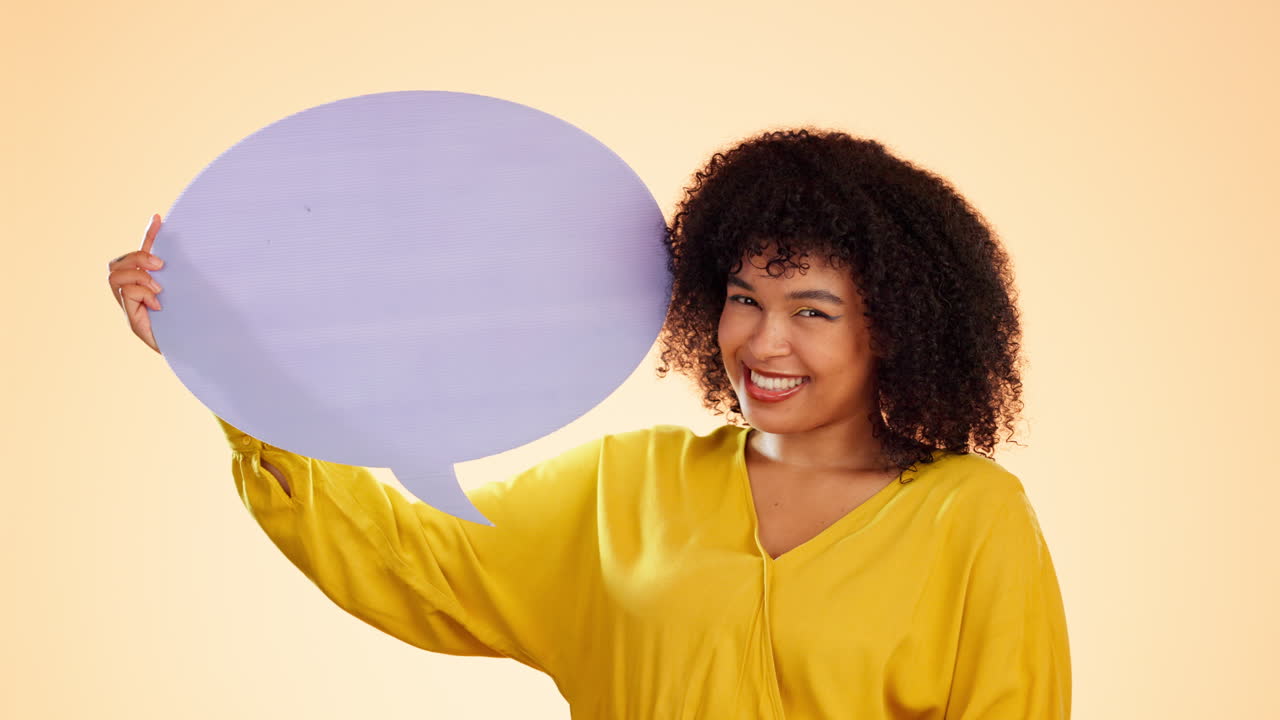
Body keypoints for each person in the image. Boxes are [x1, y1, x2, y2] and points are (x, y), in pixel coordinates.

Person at [108, 129, 1070, 719]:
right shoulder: (625, 486)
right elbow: (404, 559)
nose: (765, 342)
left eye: (812, 311)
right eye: (743, 300)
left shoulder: (971, 517)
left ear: (892, 327)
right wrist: (225, 362)